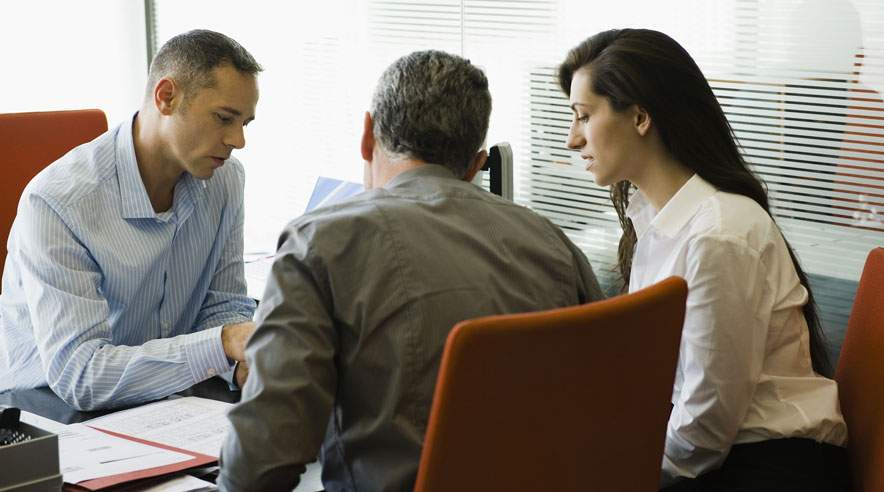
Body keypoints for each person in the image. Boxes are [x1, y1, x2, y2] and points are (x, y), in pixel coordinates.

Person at [218, 50, 604, 492]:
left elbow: (260, 466)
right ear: (476, 166)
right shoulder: (553, 243)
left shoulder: (319, 244)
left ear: (367, 137)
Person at [558, 29, 850, 490]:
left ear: (639, 117)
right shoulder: (655, 221)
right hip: (726, 455)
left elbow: (706, 426)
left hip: (769, 466)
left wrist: (626, 474)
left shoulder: (717, 234)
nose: (573, 139)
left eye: (583, 116)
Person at [0, 29, 261, 411]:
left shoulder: (225, 180)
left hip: (163, 401)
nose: (238, 140)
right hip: (46, 409)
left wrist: (242, 365)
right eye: (224, 118)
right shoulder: (58, 201)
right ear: (166, 97)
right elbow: (81, 375)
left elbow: (223, 308)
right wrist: (223, 344)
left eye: (246, 123)